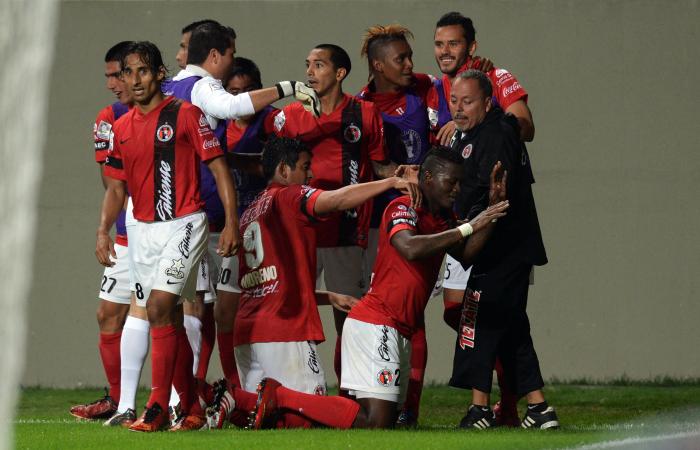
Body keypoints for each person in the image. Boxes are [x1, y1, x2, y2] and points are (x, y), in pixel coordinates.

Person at [243, 147, 508, 430]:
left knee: (375, 422)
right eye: (451, 181)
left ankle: (261, 406)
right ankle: (280, 396)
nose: (457, 189)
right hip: (376, 324)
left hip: (400, 327)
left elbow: (466, 255)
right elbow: (409, 247)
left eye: (460, 182)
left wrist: (490, 213)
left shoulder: (442, 218)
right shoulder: (403, 206)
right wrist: (468, 227)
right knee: (376, 423)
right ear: (428, 177)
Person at [207, 136, 419, 429]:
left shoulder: (250, 212)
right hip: (283, 332)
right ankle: (222, 397)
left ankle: (231, 400)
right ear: (284, 170)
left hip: (249, 333)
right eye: (305, 167)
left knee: (272, 425)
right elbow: (337, 200)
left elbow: (267, 280)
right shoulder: (289, 196)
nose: (310, 175)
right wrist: (389, 184)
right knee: (310, 418)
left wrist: (326, 295)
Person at [163, 22, 322, 414]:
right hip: (192, 215)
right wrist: (291, 89)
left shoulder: (168, 90)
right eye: (229, 55)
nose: (230, 66)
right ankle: (185, 396)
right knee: (188, 309)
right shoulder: (199, 87)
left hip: (167, 212)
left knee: (178, 307)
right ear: (215, 56)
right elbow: (232, 108)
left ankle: (184, 395)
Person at [97, 41, 238, 432]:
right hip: (141, 231)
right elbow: (115, 189)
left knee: (159, 307)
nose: (136, 79)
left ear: (160, 74)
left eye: (145, 70)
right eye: (129, 72)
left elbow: (219, 168)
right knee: (167, 317)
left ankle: (157, 405)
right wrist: (103, 230)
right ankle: (191, 407)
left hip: (185, 224)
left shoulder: (186, 113)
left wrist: (230, 222)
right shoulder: (121, 127)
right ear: (123, 78)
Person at [268, 43, 396, 391]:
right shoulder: (291, 115)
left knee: (348, 317)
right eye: (307, 65)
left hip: (345, 231)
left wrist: (405, 176)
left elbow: (379, 164)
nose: (310, 72)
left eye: (319, 65)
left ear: (339, 73)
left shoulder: (365, 113)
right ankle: (293, 390)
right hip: (298, 234)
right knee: (292, 309)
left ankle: (349, 391)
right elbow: (272, 169)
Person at [433, 11, 534, 425]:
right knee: (459, 310)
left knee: (488, 311)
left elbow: (525, 125)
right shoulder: (435, 87)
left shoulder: (497, 76)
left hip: (496, 216)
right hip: (462, 214)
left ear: (471, 47)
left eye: (453, 43)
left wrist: (488, 129)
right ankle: (507, 400)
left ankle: (501, 403)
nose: (445, 51)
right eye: (439, 44)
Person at [447, 70, 558, 430]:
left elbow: (488, 191)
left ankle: (479, 409)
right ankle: (539, 409)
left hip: (503, 247)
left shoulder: (495, 133)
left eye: (468, 101)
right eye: (454, 100)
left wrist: (459, 219)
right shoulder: (478, 133)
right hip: (505, 247)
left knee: (479, 317)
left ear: (488, 101)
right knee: (511, 326)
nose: (459, 108)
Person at [355, 24, 439, 426]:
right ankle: (356, 399)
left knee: (413, 314)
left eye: (409, 56)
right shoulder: (360, 105)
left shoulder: (423, 89)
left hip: (418, 221)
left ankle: (410, 407)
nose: (410, 64)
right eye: (400, 58)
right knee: (364, 312)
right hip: (375, 225)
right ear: (377, 66)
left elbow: (461, 82)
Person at [70, 41, 137, 425]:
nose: (113, 84)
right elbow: (112, 182)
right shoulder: (108, 118)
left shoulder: (175, 111)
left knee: (181, 316)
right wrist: (105, 229)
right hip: (129, 233)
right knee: (108, 314)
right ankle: (117, 399)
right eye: (109, 76)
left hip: (172, 230)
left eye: (119, 74)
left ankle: (186, 400)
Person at [215, 57, 274, 393]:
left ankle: (269, 383)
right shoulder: (218, 123)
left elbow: (276, 166)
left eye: (247, 91)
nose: (240, 99)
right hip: (231, 229)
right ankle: (236, 387)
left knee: (265, 308)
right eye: (233, 92)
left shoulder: (271, 121)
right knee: (225, 313)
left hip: (267, 229)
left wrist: (228, 159)